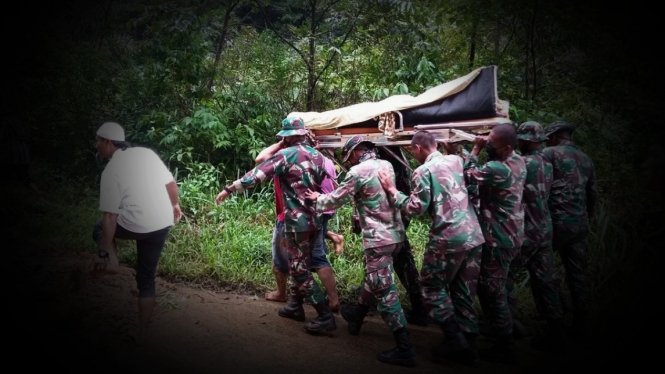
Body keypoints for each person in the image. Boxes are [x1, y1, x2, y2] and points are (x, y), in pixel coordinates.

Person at [216, 116, 336, 334]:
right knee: (301, 262)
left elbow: (256, 175)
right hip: (316, 220)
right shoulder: (319, 156)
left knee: (299, 270)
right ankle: (294, 306)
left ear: (288, 138)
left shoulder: (286, 154)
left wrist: (229, 189)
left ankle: (325, 315)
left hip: (297, 222)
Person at [304, 135, 416, 367]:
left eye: (350, 156)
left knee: (385, 292)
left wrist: (317, 199)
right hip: (395, 236)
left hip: (378, 240)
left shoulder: (357, 172)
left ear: (356, 152)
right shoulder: (386, 165)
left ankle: (404, 346)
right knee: (373, 278)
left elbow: (335, 199)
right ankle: (356, 317)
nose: (350, 161)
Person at [378, 130, 485, 367]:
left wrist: (392, 191)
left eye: (412, 151)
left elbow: (416, 208)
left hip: (448, 237)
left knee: (431, 287)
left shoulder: (423, 171)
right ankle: (469, 347)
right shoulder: (457, 160)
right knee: (463, 290)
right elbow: (470, 169)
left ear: (416, 148)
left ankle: (455, 339)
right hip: (474, 235)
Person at [89, 121, 182, 345]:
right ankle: (142, 335)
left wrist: (102, 253)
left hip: (135, 224)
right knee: (146, 278)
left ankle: (111, 262)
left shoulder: (110, 171)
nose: (96, 146)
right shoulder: (145, 154)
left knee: (99, 227)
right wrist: (175, 206)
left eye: (98, 141)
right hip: (161, 222)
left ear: (108, 142)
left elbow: (110, 218)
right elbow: (171, 185)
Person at [463, 122, 526, 365]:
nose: (487, 144)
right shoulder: (518, 161)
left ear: (507, 147)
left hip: (498, 238)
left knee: (493, 292)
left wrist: (474, 151)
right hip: (513, 235)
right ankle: (510, 328)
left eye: (491, 143)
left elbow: (468, 176)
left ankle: (506, 346)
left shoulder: (497, 168)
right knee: (501, 287)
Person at [255, 136, 341, 312]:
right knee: (313, 256)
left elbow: (260, 160)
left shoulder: (287, 157)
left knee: (288, 260)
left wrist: (281, 144)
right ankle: (323, 300)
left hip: (294, 217)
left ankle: (288, 296)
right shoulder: (322, 160)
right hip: (321, 214)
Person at [508, 121, 567, 352]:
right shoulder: (547, 162)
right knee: (545, 281)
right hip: (544, 228)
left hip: (527, 230)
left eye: (521, 138)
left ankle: (509, 326)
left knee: (503, 277)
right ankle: (557, 331)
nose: (518, 142)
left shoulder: (523, 163)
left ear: (528, 140)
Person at [542, 120, 597, 340]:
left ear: (554, 136)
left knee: (542, 270)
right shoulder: (586, 158)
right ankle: (581, 324)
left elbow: (540, 188)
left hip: (555, 222)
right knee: (577, 275)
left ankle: (556, 322)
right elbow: (592, 193)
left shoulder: (549, 154)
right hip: (579, 224)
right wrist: (588, 219)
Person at [375, 146, 428, 326]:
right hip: (398, 211)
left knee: (386, 258)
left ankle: (366, 303)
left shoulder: (387, 154)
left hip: (394, 212)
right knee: (401, 258)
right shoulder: (392, 152)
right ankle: (418, 304)